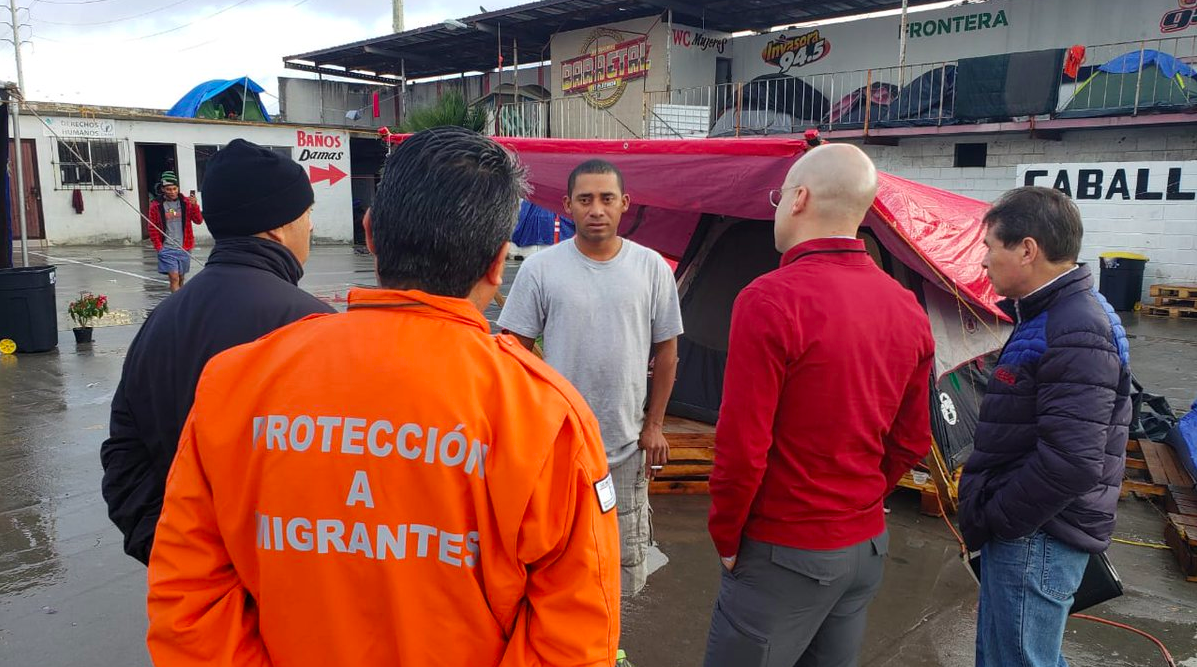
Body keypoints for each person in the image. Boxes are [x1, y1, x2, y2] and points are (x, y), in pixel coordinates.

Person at [145, 127, 620, 666]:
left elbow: (188, 604)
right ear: (497, 262)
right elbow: (575, 635)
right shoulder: (547, 416)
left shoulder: (236, 382)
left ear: (369, 233)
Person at [704, 143, 935, 667]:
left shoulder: (770, 299)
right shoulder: (905, 306)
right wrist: (861, 499)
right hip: (863, 548)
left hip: (784, 549)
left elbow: (742, 447)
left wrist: (725, 532)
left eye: (780, 195)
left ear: (800, 198)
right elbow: (912, 439)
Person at [101, 139, 335, 565]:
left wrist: (179, 560)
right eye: (308, 215)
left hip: (190, 590)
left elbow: (125, 459)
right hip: (286, 592)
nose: (312, 228)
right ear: (278, 227)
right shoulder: (316, 327)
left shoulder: (162, 319)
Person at [958, 186, 1131, 667]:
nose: (984, 261)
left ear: (1028, 249)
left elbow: (1073, 461)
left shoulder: (1075, 327)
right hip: (1032, 532)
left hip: (1036, 537)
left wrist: (999, 518)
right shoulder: (1053, 315)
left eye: (991, 247)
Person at [498, 159, 684, 603]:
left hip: (622, 448)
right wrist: (539, 403)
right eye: (585, 199)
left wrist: (654, 425)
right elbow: (511, 349)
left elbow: (667, 351)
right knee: (554, 558)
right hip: (556, 450)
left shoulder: (652, 268)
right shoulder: (541, 270)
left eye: (606, 199)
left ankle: (609, 646)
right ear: (567, 206)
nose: (596, 209)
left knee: (620, 562)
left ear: (624, 204)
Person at [148, 171, 204, 292]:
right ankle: (176, 306)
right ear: (163, 189)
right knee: (174, 278)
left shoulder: (186, 202)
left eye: (174, 188)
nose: (172, 192)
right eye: (168, 189)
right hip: (167, 248)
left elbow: (198, 220)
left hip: (184, 247)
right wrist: (159, 247)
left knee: (181, 277)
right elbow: (152, 228)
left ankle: (180, 300)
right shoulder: (156, 205)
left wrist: (195, 206)